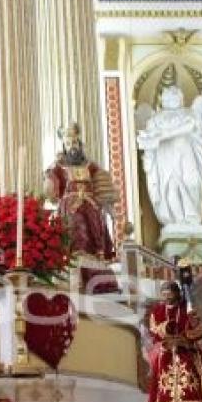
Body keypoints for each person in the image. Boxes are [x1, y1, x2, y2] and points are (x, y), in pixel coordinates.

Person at [44, 123, 118, 293]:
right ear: (64, 146)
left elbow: (102, 182)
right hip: (70, 206)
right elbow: (50, 189)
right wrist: (50, 174)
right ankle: (74, 261)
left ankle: (95, 263)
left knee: (94, 232)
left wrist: (107, 204)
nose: (72, 147)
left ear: (80, 143)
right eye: (69, 144)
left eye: (75, 143)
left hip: (90, 205)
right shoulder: (59, 167)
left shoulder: (90, 166)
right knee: (75, 232)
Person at [137, 86, 202, 227]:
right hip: (165, 157)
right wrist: (148, 147)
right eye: (168, 97)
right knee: (170, 187)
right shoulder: (155, 119)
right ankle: (175, 221)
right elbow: (149, 140)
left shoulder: (189, 113)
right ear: (163, 99)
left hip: (186, 154)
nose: (172, 99)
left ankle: (192, 217)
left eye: (175, 96)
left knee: (192, 182)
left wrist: (163, 135)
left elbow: (189, 127)